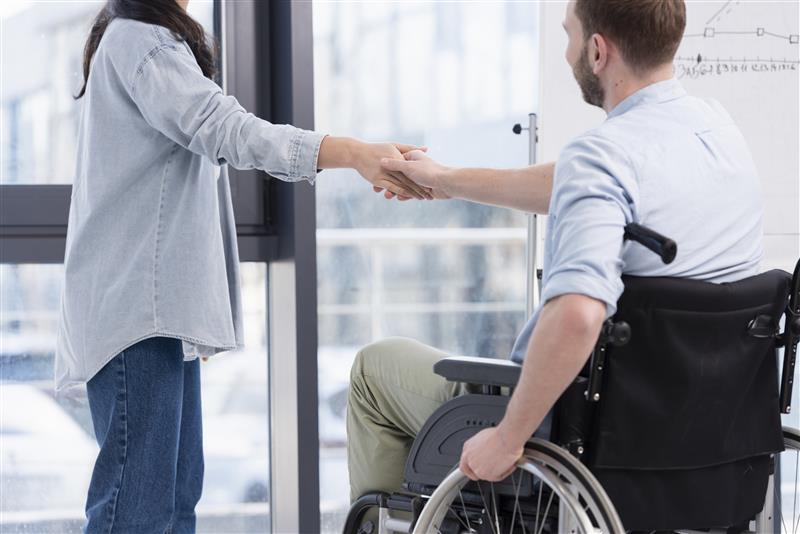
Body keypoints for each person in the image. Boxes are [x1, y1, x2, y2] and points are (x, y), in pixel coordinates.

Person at [348, 0, 763, 505]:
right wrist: (447, 181)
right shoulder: (715, 129)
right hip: (699, 419)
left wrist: (507, 438)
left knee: (374, 369)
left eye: (570, 36)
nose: (568, 53)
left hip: (572, 420)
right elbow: (576, 182)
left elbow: (578, 315)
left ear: (597, 51)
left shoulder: (603, 155)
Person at [55, 0, 428, 532]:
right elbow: (225, 130)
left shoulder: (147, 36)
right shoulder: (143, 41)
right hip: (136, 314)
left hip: (152, 315)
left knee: (174, 500)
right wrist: (351, 152)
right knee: (137, 509)